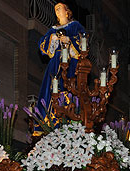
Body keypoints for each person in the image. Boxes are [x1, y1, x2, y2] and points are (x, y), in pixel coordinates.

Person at [36, 2, 86, 130]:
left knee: (68, 88)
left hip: (70, 62)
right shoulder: (53, 30)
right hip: (54, 64)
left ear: (67, 11)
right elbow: (43, 45)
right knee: (51, 88)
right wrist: (54, 38)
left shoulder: (75, 25)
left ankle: (69, 121)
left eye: (60, 8)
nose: (57, 11)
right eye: (55, 10)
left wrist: (69, 40)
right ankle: (49, 121)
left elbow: (83, 40)